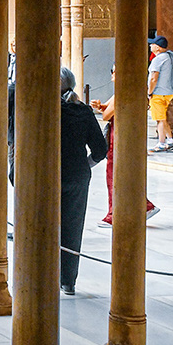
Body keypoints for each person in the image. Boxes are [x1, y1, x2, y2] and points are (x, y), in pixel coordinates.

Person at [60, 66, 108, 295]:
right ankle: (68, 280)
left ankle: (40, 276)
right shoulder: (83, 111)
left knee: (41, 226)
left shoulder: (47, 110)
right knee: (72, 227)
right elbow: (100, 149)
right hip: (77, 176)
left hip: (46, 176)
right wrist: (84, 165)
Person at [92, 67, 157, 225]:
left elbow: (108, 115)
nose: (113, 74)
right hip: (126, 136)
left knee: (114, 174)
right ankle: (144, 205)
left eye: (115, 71)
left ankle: (114, 213)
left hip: (120, 137)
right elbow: (107, 109)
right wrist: (101, 106)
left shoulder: (124, 92)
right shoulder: (126, 91)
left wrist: (105, 110)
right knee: (125, 173)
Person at [148, 34, 173, 152]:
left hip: (158, 93)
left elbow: (154, 78)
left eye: (152, 44)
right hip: (168, 91)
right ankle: (170, 140)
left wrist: (149, 92)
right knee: (162, 117)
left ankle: (161, 143)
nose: (150, 46)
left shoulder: (158, 59)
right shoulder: (170, 56)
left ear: (157, 47)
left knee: (160, 119)